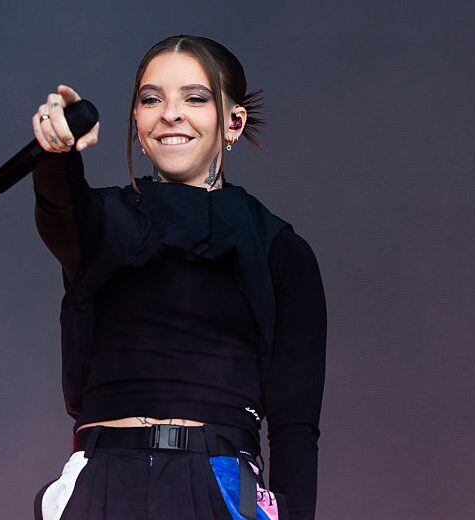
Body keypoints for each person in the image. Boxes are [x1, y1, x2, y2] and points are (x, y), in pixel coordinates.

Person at [29, 35, 327, 520]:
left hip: (221, 479)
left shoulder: (280, 249)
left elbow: (295, 424)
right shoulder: (103, 221)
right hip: (101, 477)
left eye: (195, 97)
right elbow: (60, 206)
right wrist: (57, 151)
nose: (170, 113)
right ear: (137, 124)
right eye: (152, 99)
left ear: (233, 122)